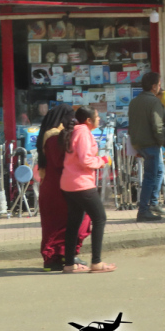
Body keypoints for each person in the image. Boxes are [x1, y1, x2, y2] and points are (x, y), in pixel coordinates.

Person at [36, 104, 91, 272]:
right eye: (70, 116)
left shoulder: (49, 134)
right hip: (57, 187)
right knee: (73, 220)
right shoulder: (53, 136)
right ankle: (62, 256)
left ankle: (59, 257)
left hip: (54, 185)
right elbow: (60, 161)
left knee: (59, 224)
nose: (72, 120)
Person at [60, 106, 115, 273]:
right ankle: (96, 262)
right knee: (99, 218)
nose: (99, 119)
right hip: (81, 184)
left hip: (69, 183)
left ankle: (69, 264)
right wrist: (102, 160)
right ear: (88, 120)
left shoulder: (75, 131)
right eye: (97, 117)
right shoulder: (83, 132)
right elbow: (85, 160)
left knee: (74, 222)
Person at [128, 72, 165, 222]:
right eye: (159, 84)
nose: (160, 87)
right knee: (150, 176)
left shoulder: (134, 102)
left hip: (140, 143)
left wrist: (135, 145)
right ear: (154, 86)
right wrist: (162, 141)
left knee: (159, 170)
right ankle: (143, 210)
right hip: (151, 143)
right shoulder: (154, 102)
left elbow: (132, 125)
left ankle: (153, 203)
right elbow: (157, 125)